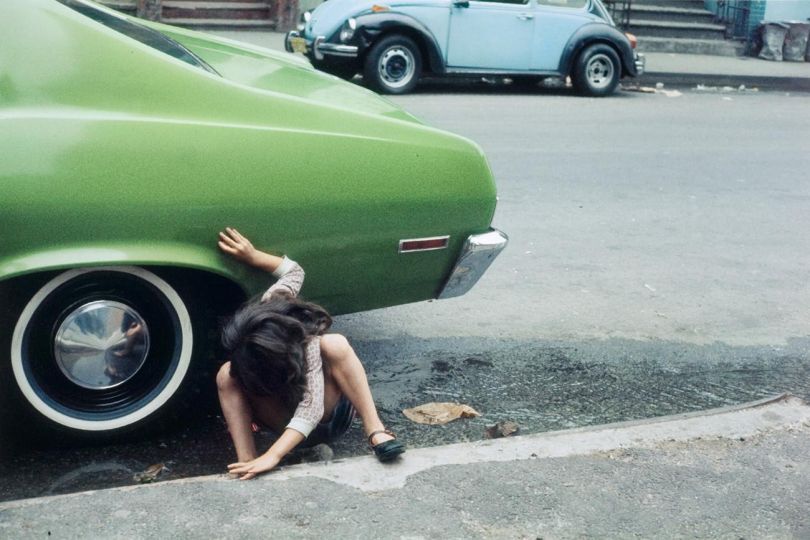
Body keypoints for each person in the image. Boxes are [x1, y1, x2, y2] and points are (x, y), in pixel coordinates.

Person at [215, 227, 405, 479]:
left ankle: (375, 429)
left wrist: (274, 455)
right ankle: (247, 460)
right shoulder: (273, 304)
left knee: (335, 343)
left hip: (325, 421)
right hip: (279, 420)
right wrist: (253, 256)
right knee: (226, 373)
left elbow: (311, 409)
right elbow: (294, 271)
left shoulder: (309, 345)